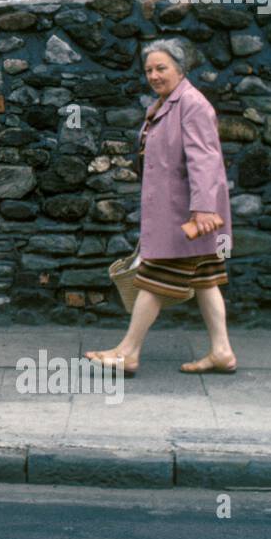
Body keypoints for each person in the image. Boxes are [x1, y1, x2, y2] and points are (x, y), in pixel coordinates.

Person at [86, 38, 237, 375]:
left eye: (161, 68)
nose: (153, 75)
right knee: (205, 279)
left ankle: (128, 351)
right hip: (180, 212)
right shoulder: (167, 103)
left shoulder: (192, 105)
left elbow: (205, 161)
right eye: (149, 70)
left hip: (186, 215)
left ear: (180, 69)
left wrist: (201, 210)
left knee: (153, 278)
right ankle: (222, 351)